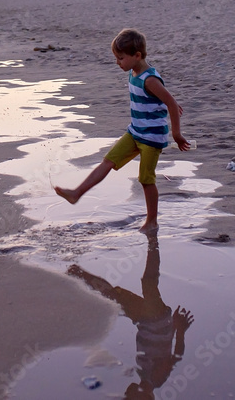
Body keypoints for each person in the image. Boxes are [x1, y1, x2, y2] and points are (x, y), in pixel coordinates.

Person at [55, 28, 189, 234]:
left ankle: (152, 221)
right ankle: (76, 193)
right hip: (135, 132)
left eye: (120, 58)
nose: (118, 62)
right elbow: (168, 101)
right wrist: (168, 102)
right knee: (108, 161)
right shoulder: (134, 72)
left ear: (137, 56)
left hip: (152, 137)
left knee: (146, 179)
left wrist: (177, 134)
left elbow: (170, 102)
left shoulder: (150, 79)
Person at [67, 233, 193, 399]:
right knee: (147, 284)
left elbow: (168, 355)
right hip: (155, 320)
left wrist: (175, 328)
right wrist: (179, 329)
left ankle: (80, 273)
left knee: (116, 295)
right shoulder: (156, 379)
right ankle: (152, 242)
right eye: (129, 398)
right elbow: (175, 358)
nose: (126, 393)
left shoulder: (145, 376)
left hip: (145, 320)